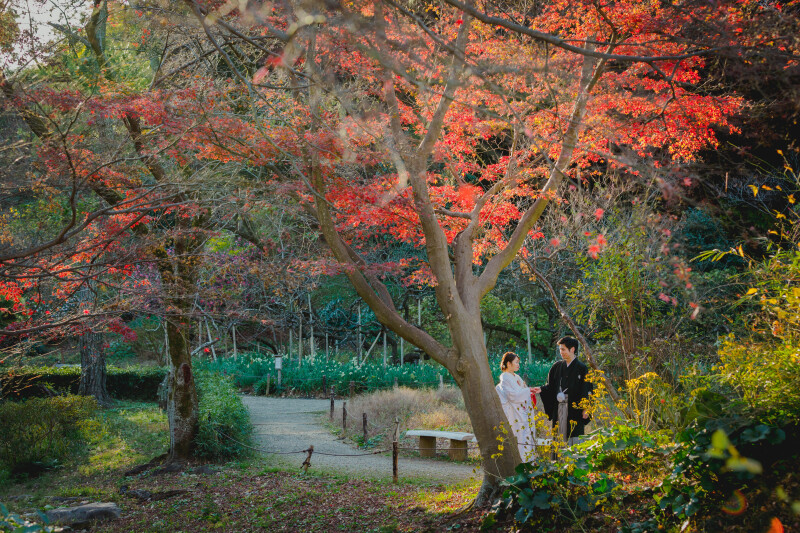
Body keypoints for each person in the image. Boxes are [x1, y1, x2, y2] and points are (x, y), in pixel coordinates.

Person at [533, 337, 592, 444]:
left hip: (574, 409)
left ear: (572, 349)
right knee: (558, 438)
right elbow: (550, 386)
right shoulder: (556, 366)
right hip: (559, 407)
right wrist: (541, 389)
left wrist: (586, 409)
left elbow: (586, 388)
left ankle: (575, 460)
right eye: (560, 349)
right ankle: (558, 460)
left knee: (574, 437)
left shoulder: (582, 368)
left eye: (563, 349)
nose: (561, 352)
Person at [495, 352, 536, 462]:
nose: (518, 365)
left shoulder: (516, 377)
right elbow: (512, 395)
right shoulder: (505, 378)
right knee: (519, 436)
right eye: (516, 362)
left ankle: (528, 462)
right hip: (514, 413)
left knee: (526, 436)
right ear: (508, 363)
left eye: (518, 362)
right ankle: (519, 462)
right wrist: (528, 391)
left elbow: (522, 391)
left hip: (521, 411)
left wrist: (530, 391)